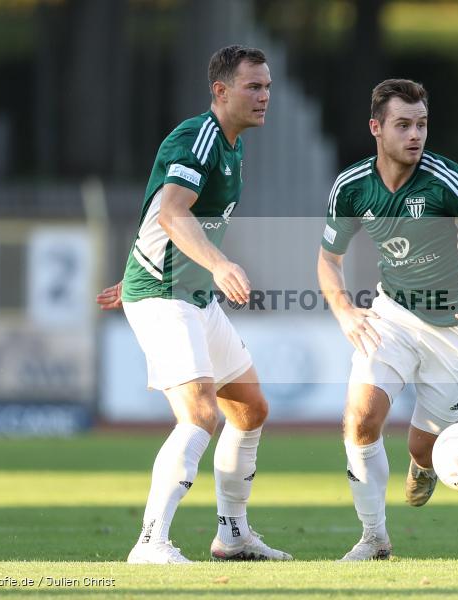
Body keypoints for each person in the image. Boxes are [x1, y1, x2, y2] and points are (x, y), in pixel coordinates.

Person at [95, 45, 291, 564]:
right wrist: (218, 266)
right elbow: (174, 214)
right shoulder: (198, 137)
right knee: (200, 414)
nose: (264, 96)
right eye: (254, 86)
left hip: (189, 294)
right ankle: (150, 542)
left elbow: (159, 207)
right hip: (164, 295)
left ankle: (232, 535)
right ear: (220, 91)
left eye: (268, 86)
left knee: (250, 409)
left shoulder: (232, 146)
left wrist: (137, 265)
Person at [317, 78, 458, 561]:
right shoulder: (351, 187)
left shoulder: (449, 181)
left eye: (422, 124)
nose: (416, 135)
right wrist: (344, 310)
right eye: (404, 124)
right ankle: (374, 539)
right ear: (376, 128)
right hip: (392, 316)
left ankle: (423, 466)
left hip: (455, 332)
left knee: (424, 450)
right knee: (361, 420)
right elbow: (328, 259)